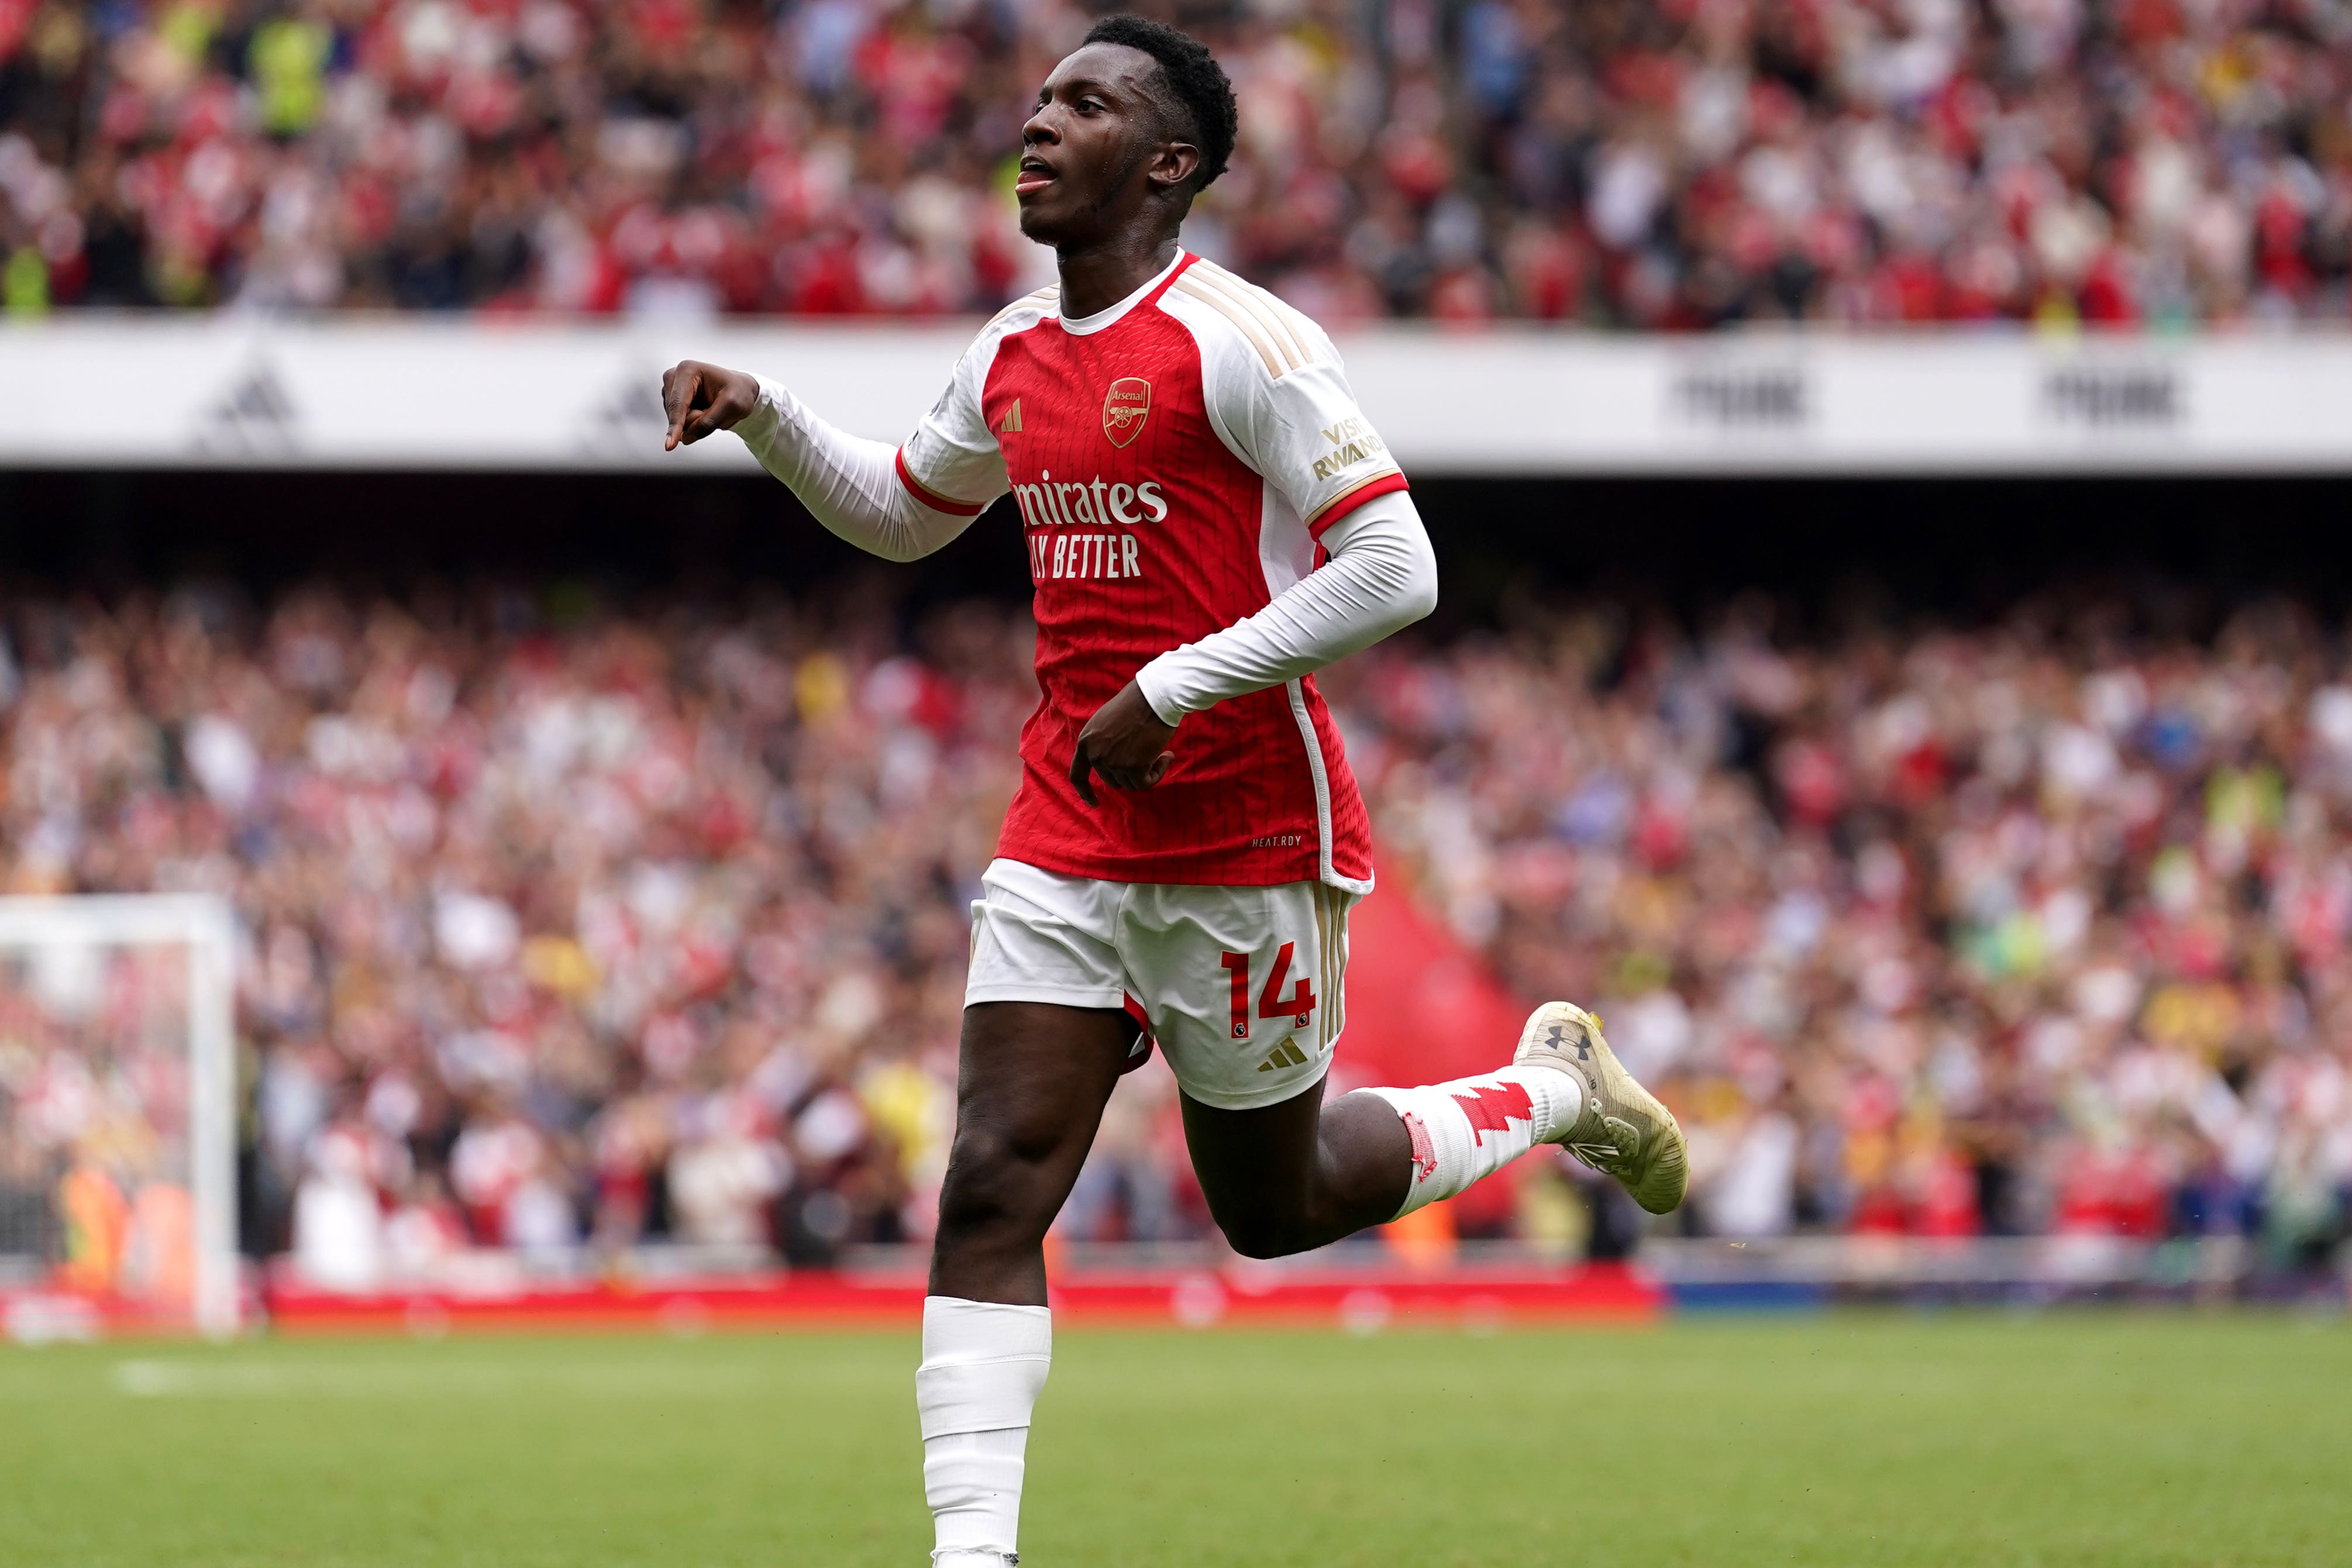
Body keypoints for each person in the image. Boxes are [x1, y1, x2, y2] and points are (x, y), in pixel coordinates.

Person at [659, 16, 1688, 1564]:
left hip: (1244, 830)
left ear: (1170, 162)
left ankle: (1552, 1092)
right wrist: (764, 414)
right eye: (1040, 96)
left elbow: (1397, 567)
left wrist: (1181, 681)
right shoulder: (1012, 353)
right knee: (995, 1177)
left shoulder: (1245, 342)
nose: (1040, 121)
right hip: (1067, 825)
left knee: (1270, 1205)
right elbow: (899, 514)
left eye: (1086, 103)